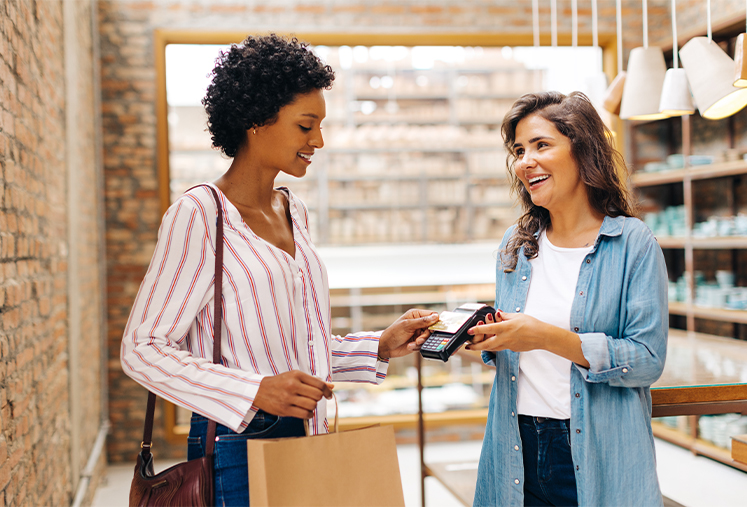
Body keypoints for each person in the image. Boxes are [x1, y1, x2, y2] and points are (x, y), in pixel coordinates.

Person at [120, 34, 438, 505]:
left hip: (311, 431)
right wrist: (255, 391)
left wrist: (379, 346)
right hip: (238, 446)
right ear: (255, 121)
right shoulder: (201, 216)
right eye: (306, 125)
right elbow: (142, 348)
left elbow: (295, 347)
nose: (319, 140)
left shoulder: (295, 211)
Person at [467, 91, 668, 507]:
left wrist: (543, 336)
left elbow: (647, 359)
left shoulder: (633, 243)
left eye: (542, 145)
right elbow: (514, 349)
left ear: (583, 151)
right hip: (515, 441)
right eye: (519, 150)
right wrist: (479, 337)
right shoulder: (516, 245)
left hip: (591, 445)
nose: (526, 161)